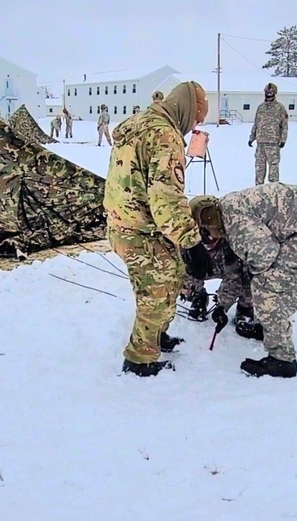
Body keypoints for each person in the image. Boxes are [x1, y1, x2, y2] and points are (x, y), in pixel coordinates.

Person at [183, 183, 297, 378]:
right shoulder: (232, 207)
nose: (207, 239)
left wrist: (254, 277)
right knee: (287, 290)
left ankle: (281, 359)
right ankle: (272, 330)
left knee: (265, 287)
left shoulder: (233, 221)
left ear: (206, 221)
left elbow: (264, 255)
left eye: (204, 232)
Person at [104, 81, 211, 377]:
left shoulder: (137, 122)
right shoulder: (165, 135)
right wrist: (191, 242)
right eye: (196, 118)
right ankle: (140, 360)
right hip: (141, 230)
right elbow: (166, 199)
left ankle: (156, 337)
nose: (194, 126)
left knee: (172, 278)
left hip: (123, 224)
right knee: (156, 293)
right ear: (187, 108)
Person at [179, 195, 257, 338]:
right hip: (204, 267)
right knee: (183, 269)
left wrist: (222, 306)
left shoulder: (233, 238)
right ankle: (199, 297)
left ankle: (245, 308)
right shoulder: (186, 238)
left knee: (249, 272)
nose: (207, 237)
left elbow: (233, 278)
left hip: (226, 268)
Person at [248, 83, 289, 185]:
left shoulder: (280, 108)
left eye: (270, 92)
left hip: (273, 144)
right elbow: (256, 123)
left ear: (274, 93)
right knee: (259, 168)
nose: (268, 94)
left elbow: (284, 125)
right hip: (260, 143)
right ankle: (258, 190)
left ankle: (273, 190)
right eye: (267, 92)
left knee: (273, 168)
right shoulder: (261, 108)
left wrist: (283, 140)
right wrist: (251, 137)